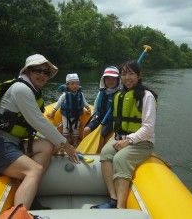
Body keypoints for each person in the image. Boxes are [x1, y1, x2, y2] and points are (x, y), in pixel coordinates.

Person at [0, 54, 79, 210]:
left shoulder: (30, 90)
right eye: (38, 70)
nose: (43, 75)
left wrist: (56, 143)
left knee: (46, 146)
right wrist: (66, 144)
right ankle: (19, 213)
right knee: (34, 170)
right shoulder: (21, 89)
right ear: (28, 70)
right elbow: (38, 121)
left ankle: (30, 195)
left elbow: (32, 126)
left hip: (12, 144)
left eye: (46, 73)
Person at [91, 60, 158, 209]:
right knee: (105, 153)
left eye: (131, 73)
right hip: (120, 138)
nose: (127, 77)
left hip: (143, 142)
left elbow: (148, 128)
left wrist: (128, 141)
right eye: (124, 74)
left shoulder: (147, 96)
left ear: (139, 75)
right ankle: (113, 198)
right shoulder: (120, 95)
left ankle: (120, 208)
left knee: (121, 158)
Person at [47, 73, 91, 146]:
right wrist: (53, 112)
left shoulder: (80, 94)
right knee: (65, 129)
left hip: (76, 115)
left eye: (77, 84)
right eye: (72, 84)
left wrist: (88, 108)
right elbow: (58, 103)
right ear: (67, 85)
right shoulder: (64, 95)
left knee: (75, 130)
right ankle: (66, 144)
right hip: (66, 115)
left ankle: (75, 143)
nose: (75, 86)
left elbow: (84, 102)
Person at [83, 66, 120, 152]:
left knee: (101, 134)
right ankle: (85, 147)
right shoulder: (102, 92)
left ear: (118, 80)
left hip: (110, 120)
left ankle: (99, 153)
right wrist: (93, 115)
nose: (110, 81)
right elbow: (96, 105)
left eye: (113, 79)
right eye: (108, 79)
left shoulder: (119, 94)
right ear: (104, 80)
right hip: (99, 117)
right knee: (86, 130)